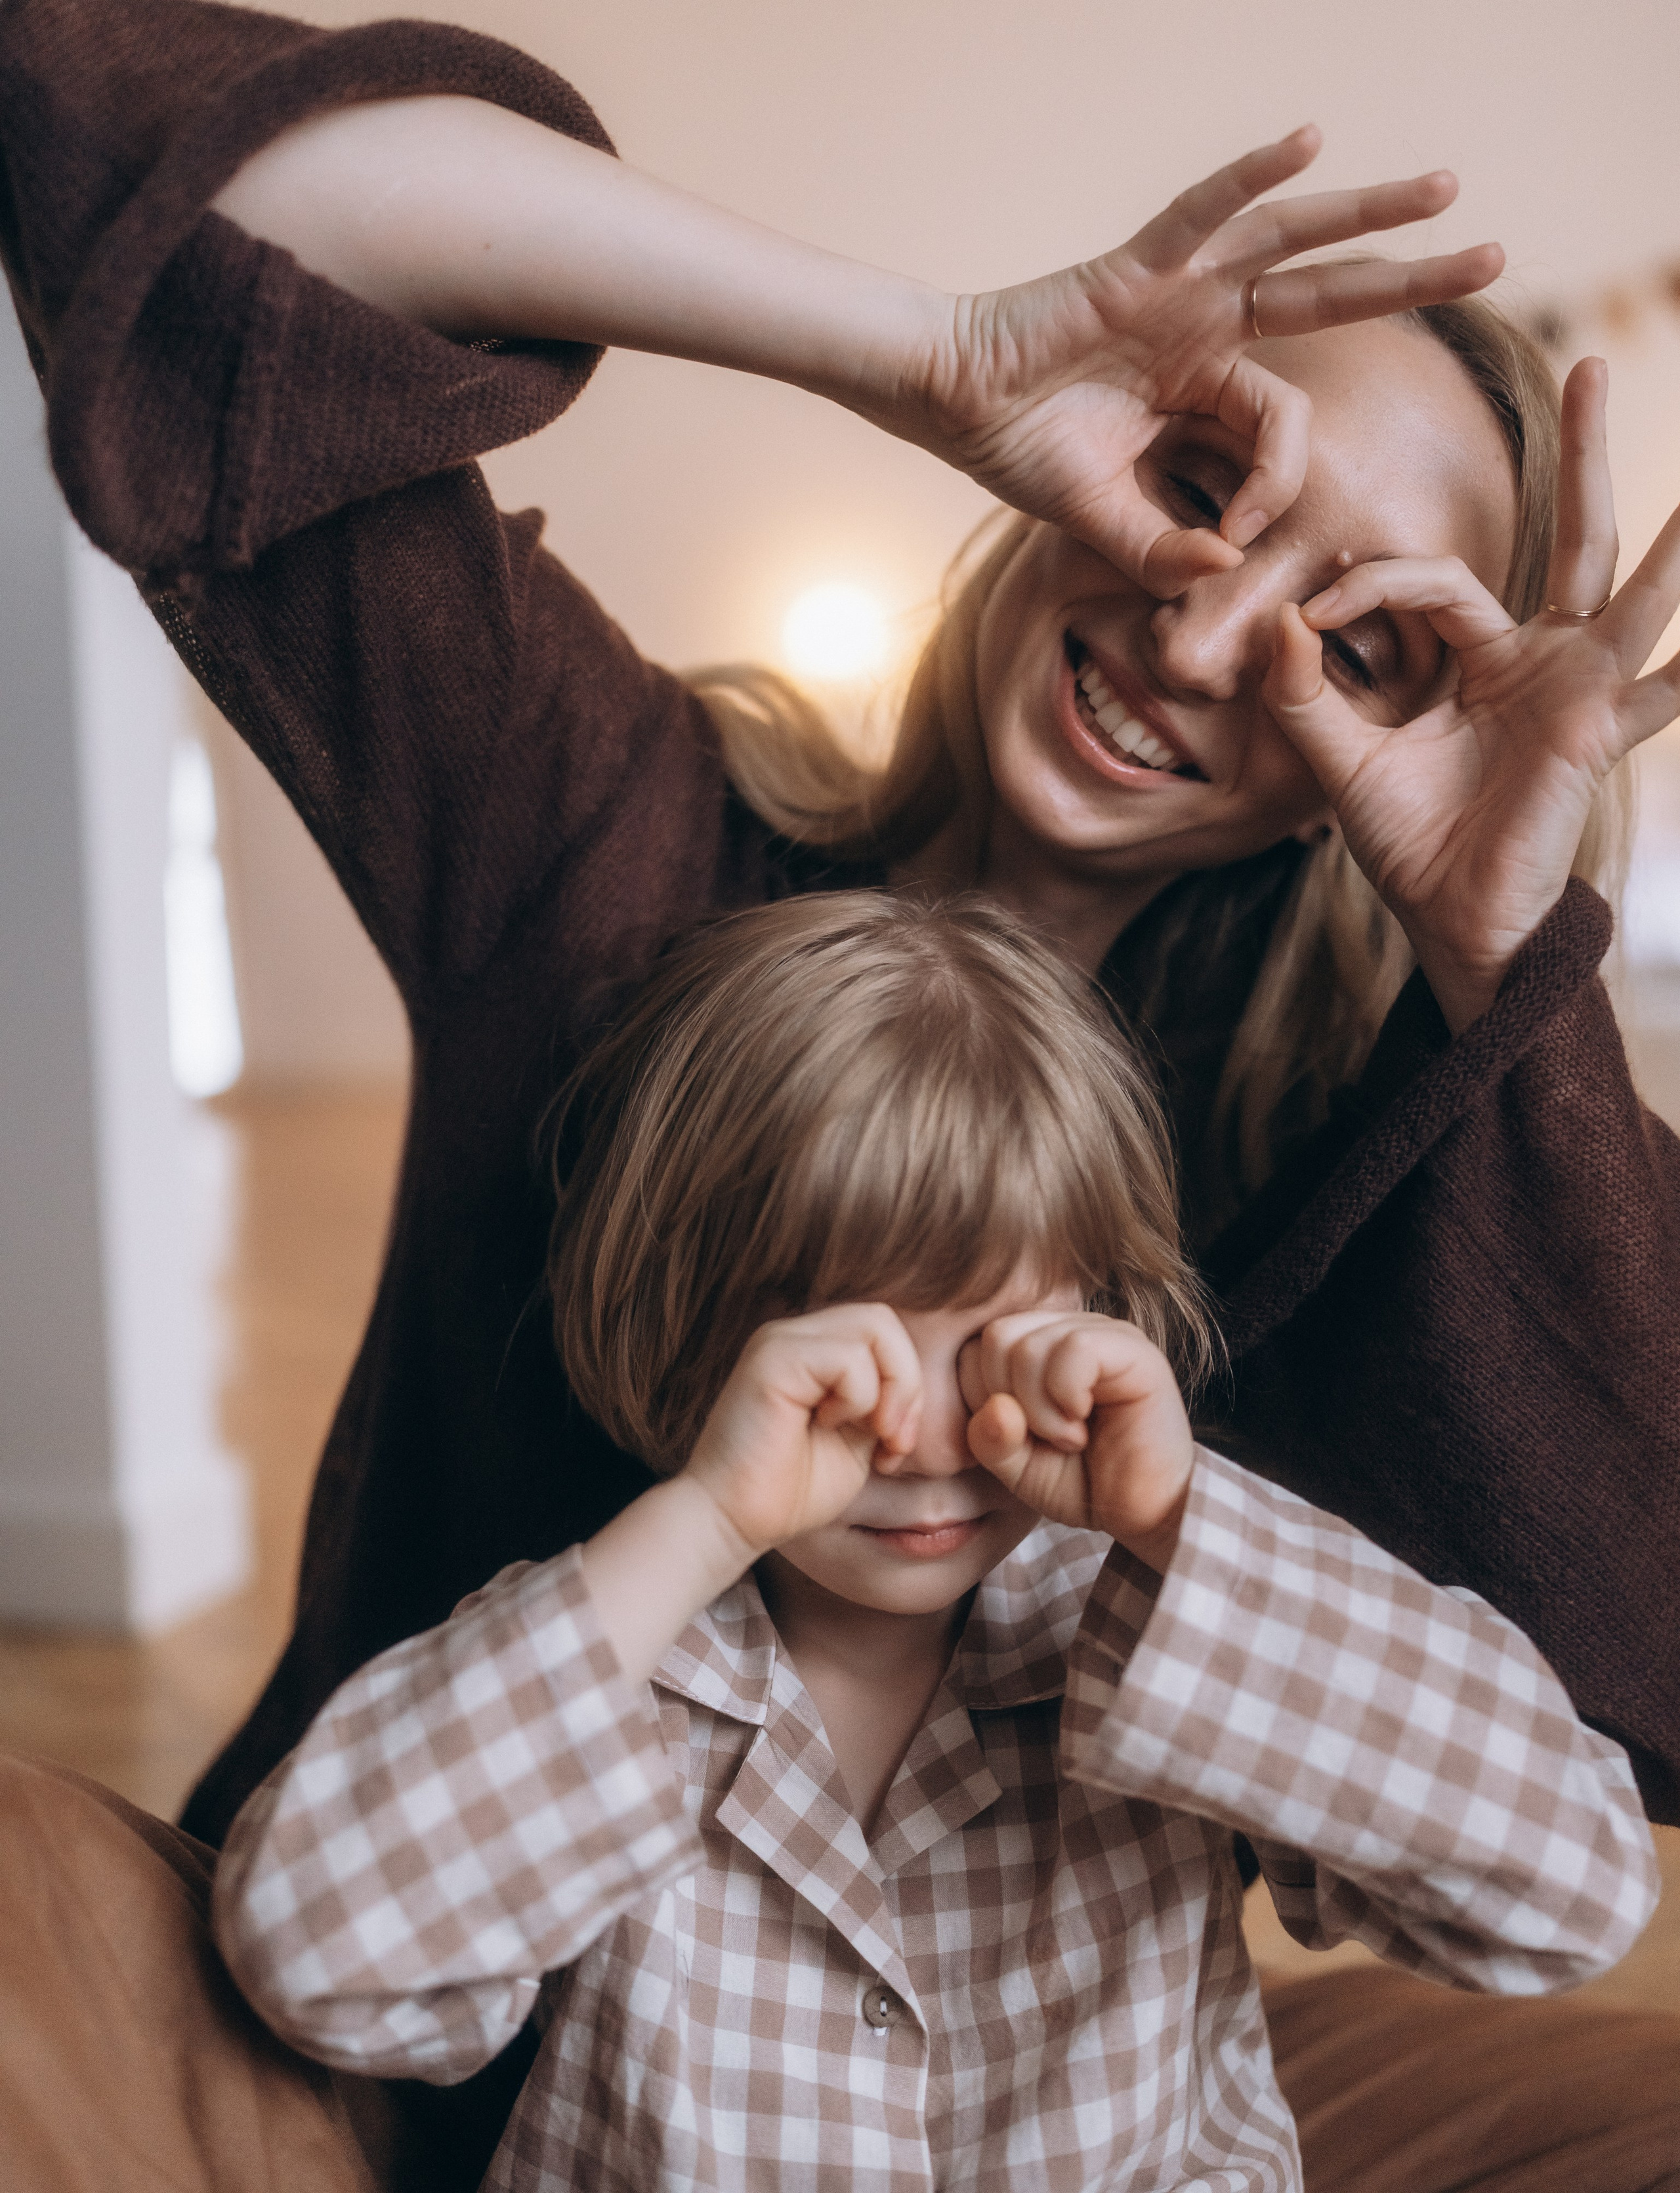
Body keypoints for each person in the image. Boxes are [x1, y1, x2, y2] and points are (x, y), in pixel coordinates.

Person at [1, 0, 1677, 2188]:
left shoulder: (1339, 1156)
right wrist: (926, 348)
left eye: (1358, 646)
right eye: (1200, 485)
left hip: (1035, 2090)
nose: (1195, 641)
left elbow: (1623, 1698)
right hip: (442, 2029)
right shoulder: (607, 849)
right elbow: (127, 145)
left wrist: (1502, 967)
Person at [207, 890, 1657, 2193]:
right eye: (843, 1357)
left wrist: (1176, 1519)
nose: (921, 1440)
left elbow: (1571, 1889)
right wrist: (703, 1518)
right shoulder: (609, 1650)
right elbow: (319, 1956)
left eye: (997, 1343)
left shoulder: (1159, 1606)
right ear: (685, 1335)